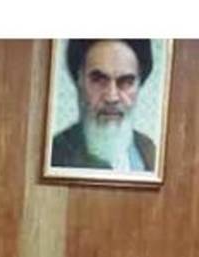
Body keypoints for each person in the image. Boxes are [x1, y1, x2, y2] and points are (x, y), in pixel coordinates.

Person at [51, 39, 157, 171]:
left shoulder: (149, 151)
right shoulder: (54, 155)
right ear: (80, 81)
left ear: (139, 84)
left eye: (125, 82)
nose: (112, 97)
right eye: (99, 81)